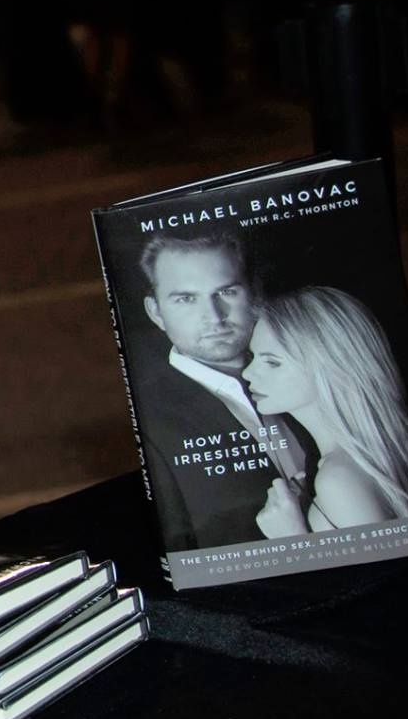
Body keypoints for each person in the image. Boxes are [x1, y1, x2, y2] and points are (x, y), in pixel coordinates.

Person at [130, 227, 310, 549]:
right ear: (156, 312)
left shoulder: (309, 372)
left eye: (226, 292)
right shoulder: (149, 423)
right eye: (186, 299)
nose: (214, 317)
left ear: (254, 294)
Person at [244, 285, 408, 536]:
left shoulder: (338, 480)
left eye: (272, 362)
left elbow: (392, 563)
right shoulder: (353, 463)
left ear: (330, 365)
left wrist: (290, 538)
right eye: (253, 357)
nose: (248, 373)